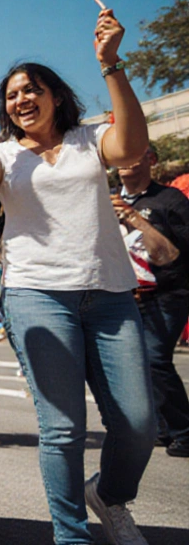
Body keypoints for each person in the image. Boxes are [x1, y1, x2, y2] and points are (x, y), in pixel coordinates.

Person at [0, 9, 154, 545]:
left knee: (137, 424)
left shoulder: (91, 139)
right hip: (38, 297)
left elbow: (131, 148)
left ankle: (108, 496)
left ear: (56, 96)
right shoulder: (4, 156)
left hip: (109, 296)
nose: (21, 100)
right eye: (12, 94)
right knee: (63, 429)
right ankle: (71, 535)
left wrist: (111, 65)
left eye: (32, 90)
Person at [117, 147, 189, 458]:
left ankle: (183, 429)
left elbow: (178, 254)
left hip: (167, 293)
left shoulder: (170, 200)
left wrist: (135, 220)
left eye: (135, 150)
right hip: (122, 293)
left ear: (151, 160)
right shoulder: (105, 198)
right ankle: (159, 426)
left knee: (155, 357)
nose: (126, 158)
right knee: (133, 364)